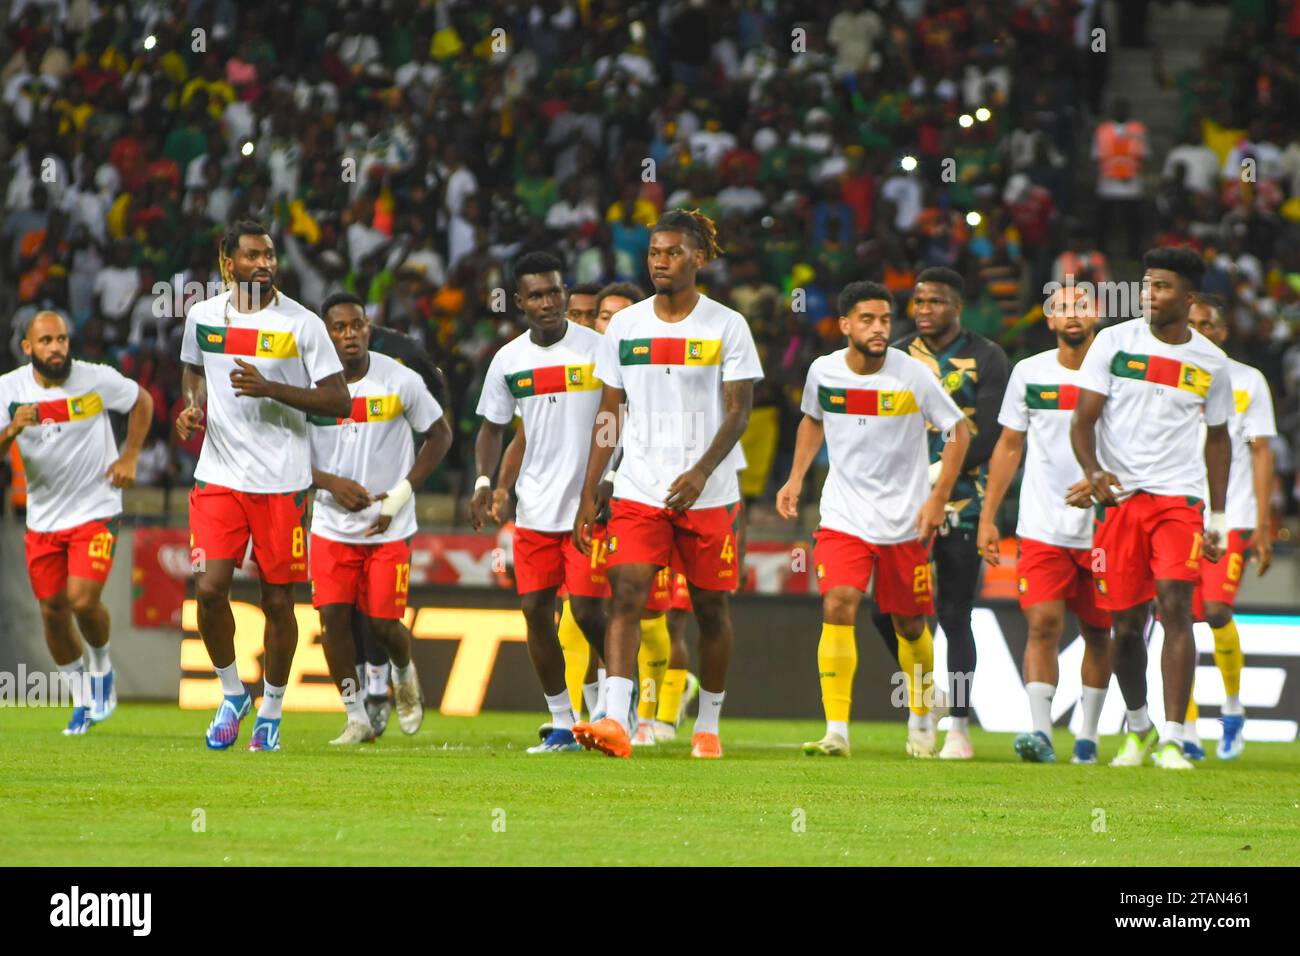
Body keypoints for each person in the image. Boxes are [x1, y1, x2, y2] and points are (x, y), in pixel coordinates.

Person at [571, 208, 763, 759]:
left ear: (698, 258)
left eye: (674, 252)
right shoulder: (627, 325)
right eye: (655, 252)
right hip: (638, 487)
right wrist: (592, 490)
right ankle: (614, 719)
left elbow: (739, 411)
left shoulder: (727, 326)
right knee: (626, 596)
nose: (661, 260)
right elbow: (610, 412)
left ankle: (708, 724)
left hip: (710, 492)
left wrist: (703, 470)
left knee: (709, 611)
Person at [177, 220, 350, 752]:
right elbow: (193, 369)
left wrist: (269, 386)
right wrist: (191, 406)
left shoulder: (302, 324)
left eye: (270, 255)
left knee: (278, 602)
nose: (265, 264)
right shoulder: (204, 316)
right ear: (227, 262)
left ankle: (271, 709)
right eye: (253, 256)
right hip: (218, 478)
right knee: (208, 591)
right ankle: (232, 694)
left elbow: (339, 401)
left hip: (282, 485)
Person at [777, 281, 968, 758]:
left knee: (908, 624)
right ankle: (836, 730)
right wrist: (795, 478)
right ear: (845, 326)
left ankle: (922, 713)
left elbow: (958, 431)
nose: (879, 328)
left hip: (904, 521)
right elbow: (812, 420)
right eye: (867, 319)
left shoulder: (914, 375)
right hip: (843, 514)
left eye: (885, 319)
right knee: (838, 603)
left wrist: (936, 497)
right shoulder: (823, 371)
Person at [1069, 246, 1232, 770]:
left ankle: (1175, 736)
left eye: (1161, 287)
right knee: (1125, 624)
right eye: (1145, 285)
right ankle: (1139, 726)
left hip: (1179, 501)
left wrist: (1220, 518)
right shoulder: (1114, 343)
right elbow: (1083, 421)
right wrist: (1095, 474)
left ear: (1188, 299)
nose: (1149, 296)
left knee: (1176, 603)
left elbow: (1219, 440)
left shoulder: (1211, 362)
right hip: (1121, 501)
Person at [470, 251, 609, 753]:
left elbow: (621, 420)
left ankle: (617, 710)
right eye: (536, 295)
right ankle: (562, 723)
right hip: (535, 510)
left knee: (591, 612)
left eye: (555, 291)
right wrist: (486, 483)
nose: (548, 302)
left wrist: (607, 482)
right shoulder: (509, 360)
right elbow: (493, 427)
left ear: (565, 293)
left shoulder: (598, 350)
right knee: (534, 610)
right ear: (520, 301)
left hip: (589, 507)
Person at [875, 266, 1010, 760]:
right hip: (901, 501)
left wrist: (940, 478)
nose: (924, 310)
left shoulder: (988, 356)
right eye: (917, 302)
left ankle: (958, 726)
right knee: (882, 609)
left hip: (963, 500)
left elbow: (991, 431)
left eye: (934, 302)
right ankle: (926, 694)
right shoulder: (897, 356)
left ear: (957, 306)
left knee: (954, 613)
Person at [308, 292, 453, 744]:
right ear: (324, 333)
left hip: (388, 524)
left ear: (369, 329)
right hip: (331, 524)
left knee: (382, 624)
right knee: (332, 623)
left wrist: (401, 494)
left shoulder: (399, 380)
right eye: (339, 327)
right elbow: (286, 453)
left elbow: (440, 435)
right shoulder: (308, 387)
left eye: (358, 325)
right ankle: (356, 715)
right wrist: (329, 483)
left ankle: (403, 673)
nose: (350, 335)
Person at [977, 285, 1112, 765]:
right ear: (1050, 321)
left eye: (1080, 306)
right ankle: (1040, 733)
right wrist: (989, 517)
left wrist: (1102, 483)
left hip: (1104, 528)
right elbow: (1009, 445)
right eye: (1061, 309)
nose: (1071, 315)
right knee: (1044, 623)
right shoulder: (1028, 372)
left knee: (1099, 630)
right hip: (1040, 525)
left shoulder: (1116, 370)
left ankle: (1089, 738)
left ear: (1095, 314)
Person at [0, 311, 152, 734]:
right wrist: (12, 429)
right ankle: (82, 699)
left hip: (95, 510)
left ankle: (102, 669)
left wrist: (130, 455)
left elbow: (142, 401)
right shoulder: (8, 391)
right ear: (28, 348)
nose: (57, 348)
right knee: (52, 611)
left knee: (82, 601)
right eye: (47, 341)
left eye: (63, 339)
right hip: (44, 519)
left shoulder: (95, 379)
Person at [1184, 293, 1275, 761]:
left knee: (1217, 611)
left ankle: (1233, 709)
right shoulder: (1172, 374)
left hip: (1231, 517)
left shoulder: (1247, 380)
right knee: (1178, 618)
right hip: (1179, 516)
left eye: (1209, 323)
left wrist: (1262, 522)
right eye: (1193, 322)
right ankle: (1187, 728)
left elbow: (1262, 451)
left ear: (1223, 331)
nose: (1200, 330)